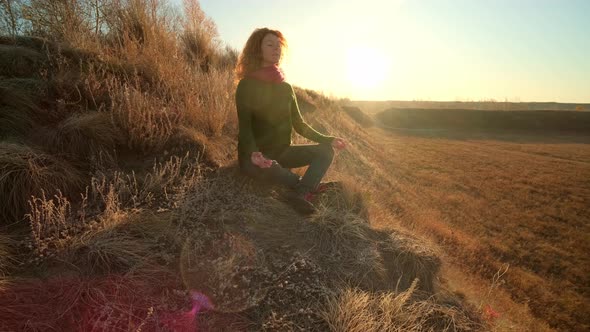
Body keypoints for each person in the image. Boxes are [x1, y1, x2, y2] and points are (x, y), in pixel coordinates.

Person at [234, 27, 347, 214]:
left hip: (282, 152)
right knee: (274, 168)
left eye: (278, 46)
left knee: (325, 152)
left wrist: (328, 139)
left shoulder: (286, 88)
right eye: (270, 44)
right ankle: (307, 188)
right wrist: (254, 153)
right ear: (257, 49)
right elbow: (245, 128)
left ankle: (301, 194)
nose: (276, 49)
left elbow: (300, 124)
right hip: (254, 158)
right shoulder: (247, 85)